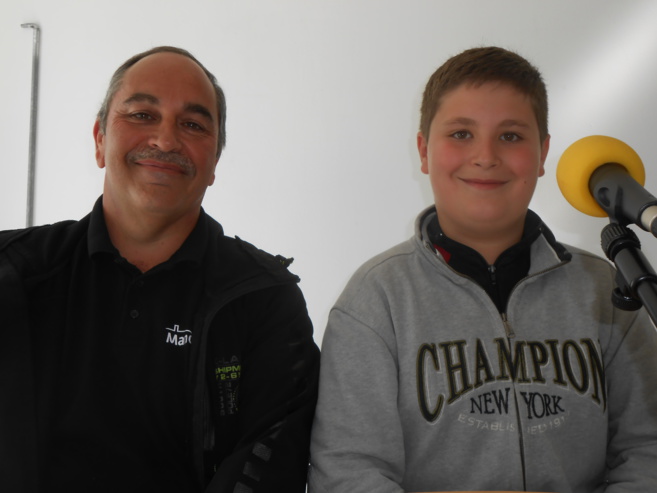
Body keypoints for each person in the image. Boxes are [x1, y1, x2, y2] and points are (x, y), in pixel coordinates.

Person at [308, 46, 657, 492]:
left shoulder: (608, 289)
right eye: (461, 134)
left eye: (510, 136)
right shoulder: (376, 300)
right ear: (423, 151)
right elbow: (348, 471)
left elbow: (648, 449)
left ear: (543, 153)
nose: (485, 156)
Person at [0, 46, 320, 493]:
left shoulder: (264, 299)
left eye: (193, 124)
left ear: (214, 162)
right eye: (142, 115)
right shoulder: (12, 272)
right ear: (99, 139)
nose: (166, 141)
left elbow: (271, 469)